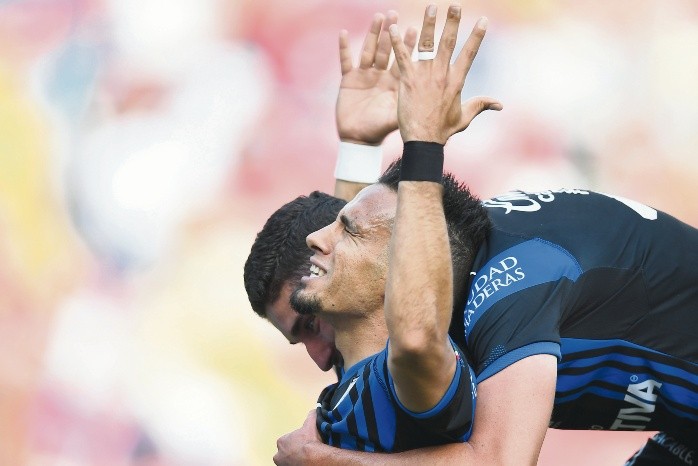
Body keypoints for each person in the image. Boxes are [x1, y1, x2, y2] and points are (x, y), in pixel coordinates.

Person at [272, 4, 698, 466]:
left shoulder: (515, 280)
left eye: (311, 325)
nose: (323, 357)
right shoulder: (454, 262)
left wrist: (322, 460)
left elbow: (500, 462)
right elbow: (369, 251)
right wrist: (358, 147)